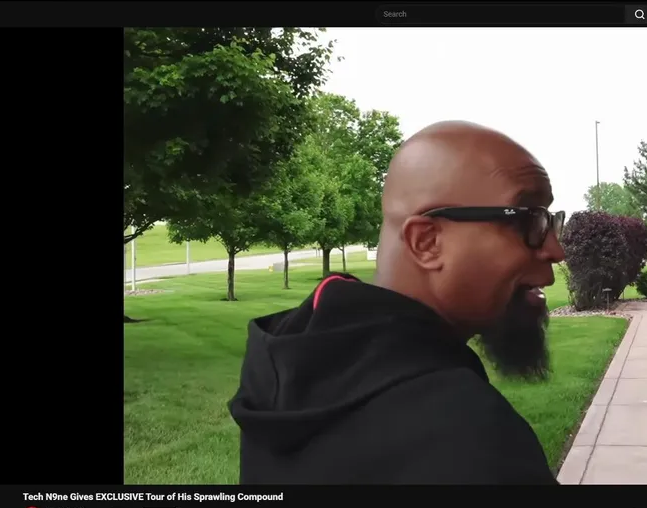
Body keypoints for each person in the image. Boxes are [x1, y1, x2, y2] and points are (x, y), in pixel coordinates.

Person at [230, 121, 565, 484]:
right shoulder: (470, 435)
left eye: (550, 221)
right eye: (529, 220)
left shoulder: (282, 373)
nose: (555, 249)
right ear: (427, 242)